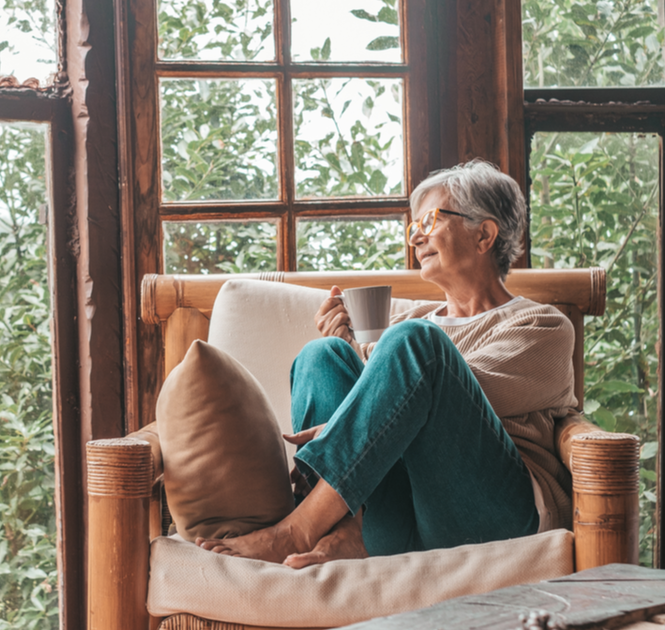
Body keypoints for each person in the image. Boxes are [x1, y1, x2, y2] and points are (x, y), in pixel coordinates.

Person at [196, 160, 578, 568]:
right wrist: (343, 343)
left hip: (490, 515)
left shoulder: (542, 325)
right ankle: (351, 531)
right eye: (414, 225)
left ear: (484, 234)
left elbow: (446, 400)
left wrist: (346, 425)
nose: (416, 237)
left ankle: (298, 528)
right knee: (321, 355)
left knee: (415, 345)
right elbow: (387, 402)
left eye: (430, 220)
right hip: (400, 519)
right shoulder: (409, 328)